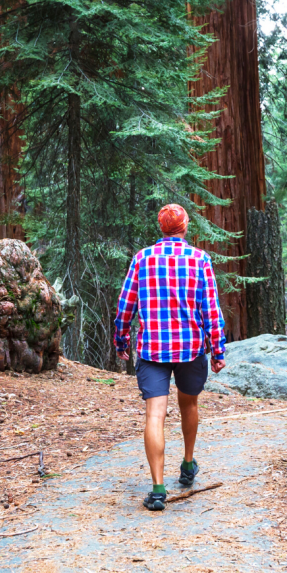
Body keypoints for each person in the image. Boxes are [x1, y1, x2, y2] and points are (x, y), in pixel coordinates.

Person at [114, 204, 226, 511]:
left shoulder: (143, 258)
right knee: (189, 403)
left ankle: (158, 489)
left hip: (152, 350)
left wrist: (121, 339)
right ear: (185, 226)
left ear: (161, 228)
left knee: (154, 415)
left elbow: (126, 305)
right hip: (190, 348)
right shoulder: (200, 259)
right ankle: (188, 464)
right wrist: (218, 350)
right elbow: (211, 309)